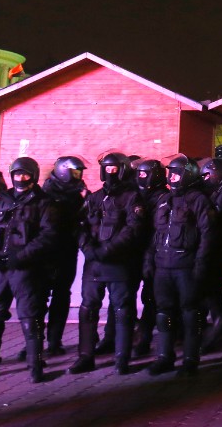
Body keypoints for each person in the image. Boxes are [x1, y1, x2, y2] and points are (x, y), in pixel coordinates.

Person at [0, 157, 59, 383]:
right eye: (17, 174)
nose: (20, 178)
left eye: (25, 174)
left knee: (31, 319)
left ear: (34, 175)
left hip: (27, 271)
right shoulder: (2, 202)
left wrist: (21, 257)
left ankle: (35, 366)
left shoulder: (44, 203)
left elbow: (48, 236)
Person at [68, 152, 144, 375]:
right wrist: (88, 247)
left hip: (120, 263)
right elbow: (80, 225)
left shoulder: (132, 197)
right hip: (94, 264)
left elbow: (133, 228)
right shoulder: (94, 198)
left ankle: (122, 358)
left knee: (122, 310)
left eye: (114, 169)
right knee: (88, 309)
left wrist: (109, 249)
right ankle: (85, 356)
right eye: (107, 169)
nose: (110, 173)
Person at [144, 156, 215, 377]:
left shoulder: (199, 200)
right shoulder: (165, 199)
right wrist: (149, 261)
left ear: (187, 175)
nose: (171, 177)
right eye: (170, 173)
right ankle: (165, 357)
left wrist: (200, 264)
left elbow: (208, 234)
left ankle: (190, 359)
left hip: (186, 267)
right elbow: (156, 234)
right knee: (163, 312)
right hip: (163, 267)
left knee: (190, 313)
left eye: (175, 173)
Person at [40, 156, 87, 356]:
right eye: (75, 172)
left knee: (61, 296)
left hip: (67, 251)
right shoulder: (46, 194)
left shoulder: (78, 195)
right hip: (46, 253)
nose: (79, 176)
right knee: (39, 298)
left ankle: (54, 341)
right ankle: (34, 342)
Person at [198, 158, 222, 353]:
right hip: (219, 250)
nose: (204, 179)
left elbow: (220, 221)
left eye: (207, 175)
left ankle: (219, 334)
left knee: (214, 295)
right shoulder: (221, 190)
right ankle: (220, 337)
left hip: (219, 251)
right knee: (212, 295)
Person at [132, 159, 168, 356]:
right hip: (133, 251)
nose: (141, 177)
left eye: (145, 174)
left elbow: (158, 230)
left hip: (152, 253)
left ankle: (144, 339)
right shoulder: (137, 194)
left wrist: (150, 256)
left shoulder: (163, 197)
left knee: (151, 298)